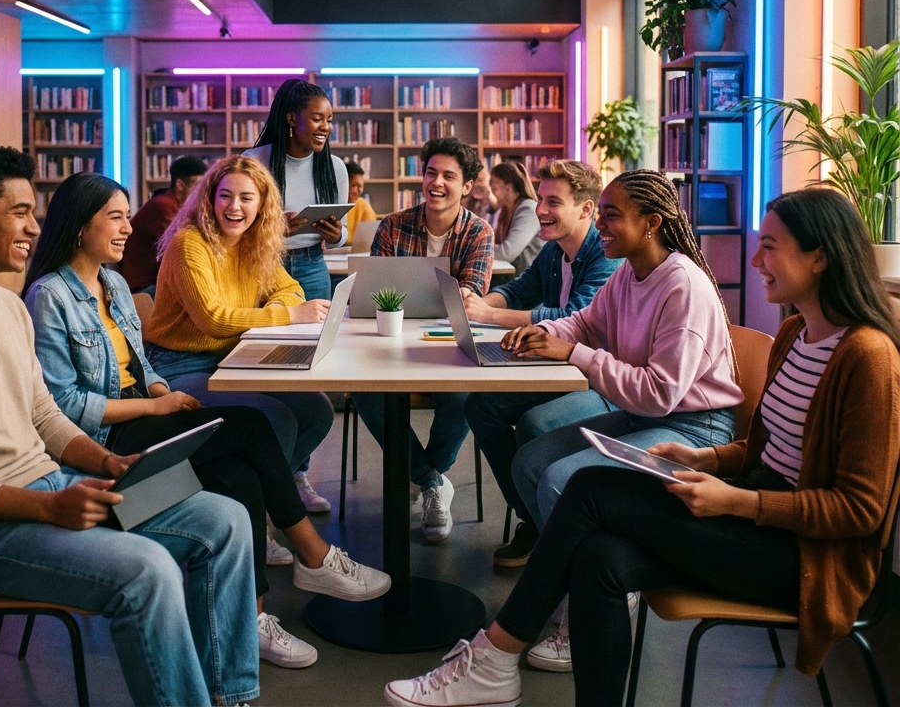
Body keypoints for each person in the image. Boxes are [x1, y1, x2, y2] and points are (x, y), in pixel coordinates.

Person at [383, 187, 900, 707]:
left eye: (770, 246)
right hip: (753, 509)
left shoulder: (868, 358)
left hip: (805, 557)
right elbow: (770, 451)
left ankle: (495, 657)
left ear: (820, 256)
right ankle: (507, 666)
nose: (754, 258)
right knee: (598, 558)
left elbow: (859, 512)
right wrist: (710, 461)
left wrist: (738, 500)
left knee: (584, 487)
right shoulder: (796, 333)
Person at [0, 142, 258, 706]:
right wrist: (47, 506)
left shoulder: (6, 306)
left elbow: (44, 416)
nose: (35, 226)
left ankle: (230, 697)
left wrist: (109, 463)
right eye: (20, 212)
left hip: (52, 487)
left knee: (225, 520)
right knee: (146, 570)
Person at [24, 172, 390, 669]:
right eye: (115, 217)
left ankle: (252, 618)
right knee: (254, 428)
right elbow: (65, 407)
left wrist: (156, 389)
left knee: (241, 470)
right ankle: (314, 555)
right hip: (106, 447)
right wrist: (156, 404)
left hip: (142, 413)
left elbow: (140, 363)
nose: (129, 228)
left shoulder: (110, 281)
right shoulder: (50, 296)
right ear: (78, 226)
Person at [498, 169, 742, 670]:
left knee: (564, 480)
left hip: (695, 428)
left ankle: (591, 597)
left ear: (651, 223)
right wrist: (543, 332)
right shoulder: (629, 271)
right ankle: (580, 581)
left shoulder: (683, 286)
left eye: (611, 216)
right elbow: (587, 324)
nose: (600, 226)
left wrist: (576, 354)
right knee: (529, 463)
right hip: (646, 415)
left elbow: (659, 392)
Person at [143, 155, 337, 514]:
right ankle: (258, 514)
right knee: (274, 417)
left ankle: (257, 496)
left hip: (233, 357)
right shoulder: (190, 244)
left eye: (247, 198)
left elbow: (291, 288)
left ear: (262, 205)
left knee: (317, 410)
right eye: (225, 196)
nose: (235, 207)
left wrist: (285, 307)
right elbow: (213, 320)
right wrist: (289, 316)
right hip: (177, 366)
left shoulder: (255, 243)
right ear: (209, 199)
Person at [463, 160, 621, 567]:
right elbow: (519, 289)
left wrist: (489, 316)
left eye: (554, 201)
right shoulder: (554, 251)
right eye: (541, 199)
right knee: (482, 405)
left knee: (536, 424)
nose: (541, 210)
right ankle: (533, 518)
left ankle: (550, 532)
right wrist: (477, 305)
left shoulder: (605, 255)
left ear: (587, 209)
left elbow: (576, 318)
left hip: (600, 379)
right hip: (560, 368)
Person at [352, 136, 494, 543]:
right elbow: (374, 292)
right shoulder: (392, 226)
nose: (437, 182)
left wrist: (458, 300)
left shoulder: (478, 232)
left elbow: (470, 296)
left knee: (462, 395)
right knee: (365, 393)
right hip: (391, 341)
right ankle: (431, 480)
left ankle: (429, 477)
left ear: (466, 186)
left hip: (446, 344)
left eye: (449, 176)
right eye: (431, 172)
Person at [244, 78, 349, 302]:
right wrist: (272, 229)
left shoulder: (335, 168)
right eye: (317, 119)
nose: (326, 127)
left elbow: (342, 235)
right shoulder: (254, 162)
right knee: (266, 333)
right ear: (291, 119)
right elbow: (237, 225)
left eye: (329, 120)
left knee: (315, 334)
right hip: (265, 265)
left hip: (312, 265)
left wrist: (337, 234)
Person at [118, 155, 207, 293]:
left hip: (156, 280)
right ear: (180, 185)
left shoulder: (176, 205)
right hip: (141, 287)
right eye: (197, 186)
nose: (202, 192)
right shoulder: (163, 206)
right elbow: (184, 249)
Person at [488, 160, 542, 275]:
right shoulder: (505, 210)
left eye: (493, 190)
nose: (491, 195)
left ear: (508, 188)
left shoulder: (528, 208)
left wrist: (474, 250)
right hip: (515, 277)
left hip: (527, 282)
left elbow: (506, 253)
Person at [343, 159, 378, 241]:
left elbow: (371, 239)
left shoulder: (363, 206)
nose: (360, 191)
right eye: (354, 185)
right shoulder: (330, 204)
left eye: (361, 186)